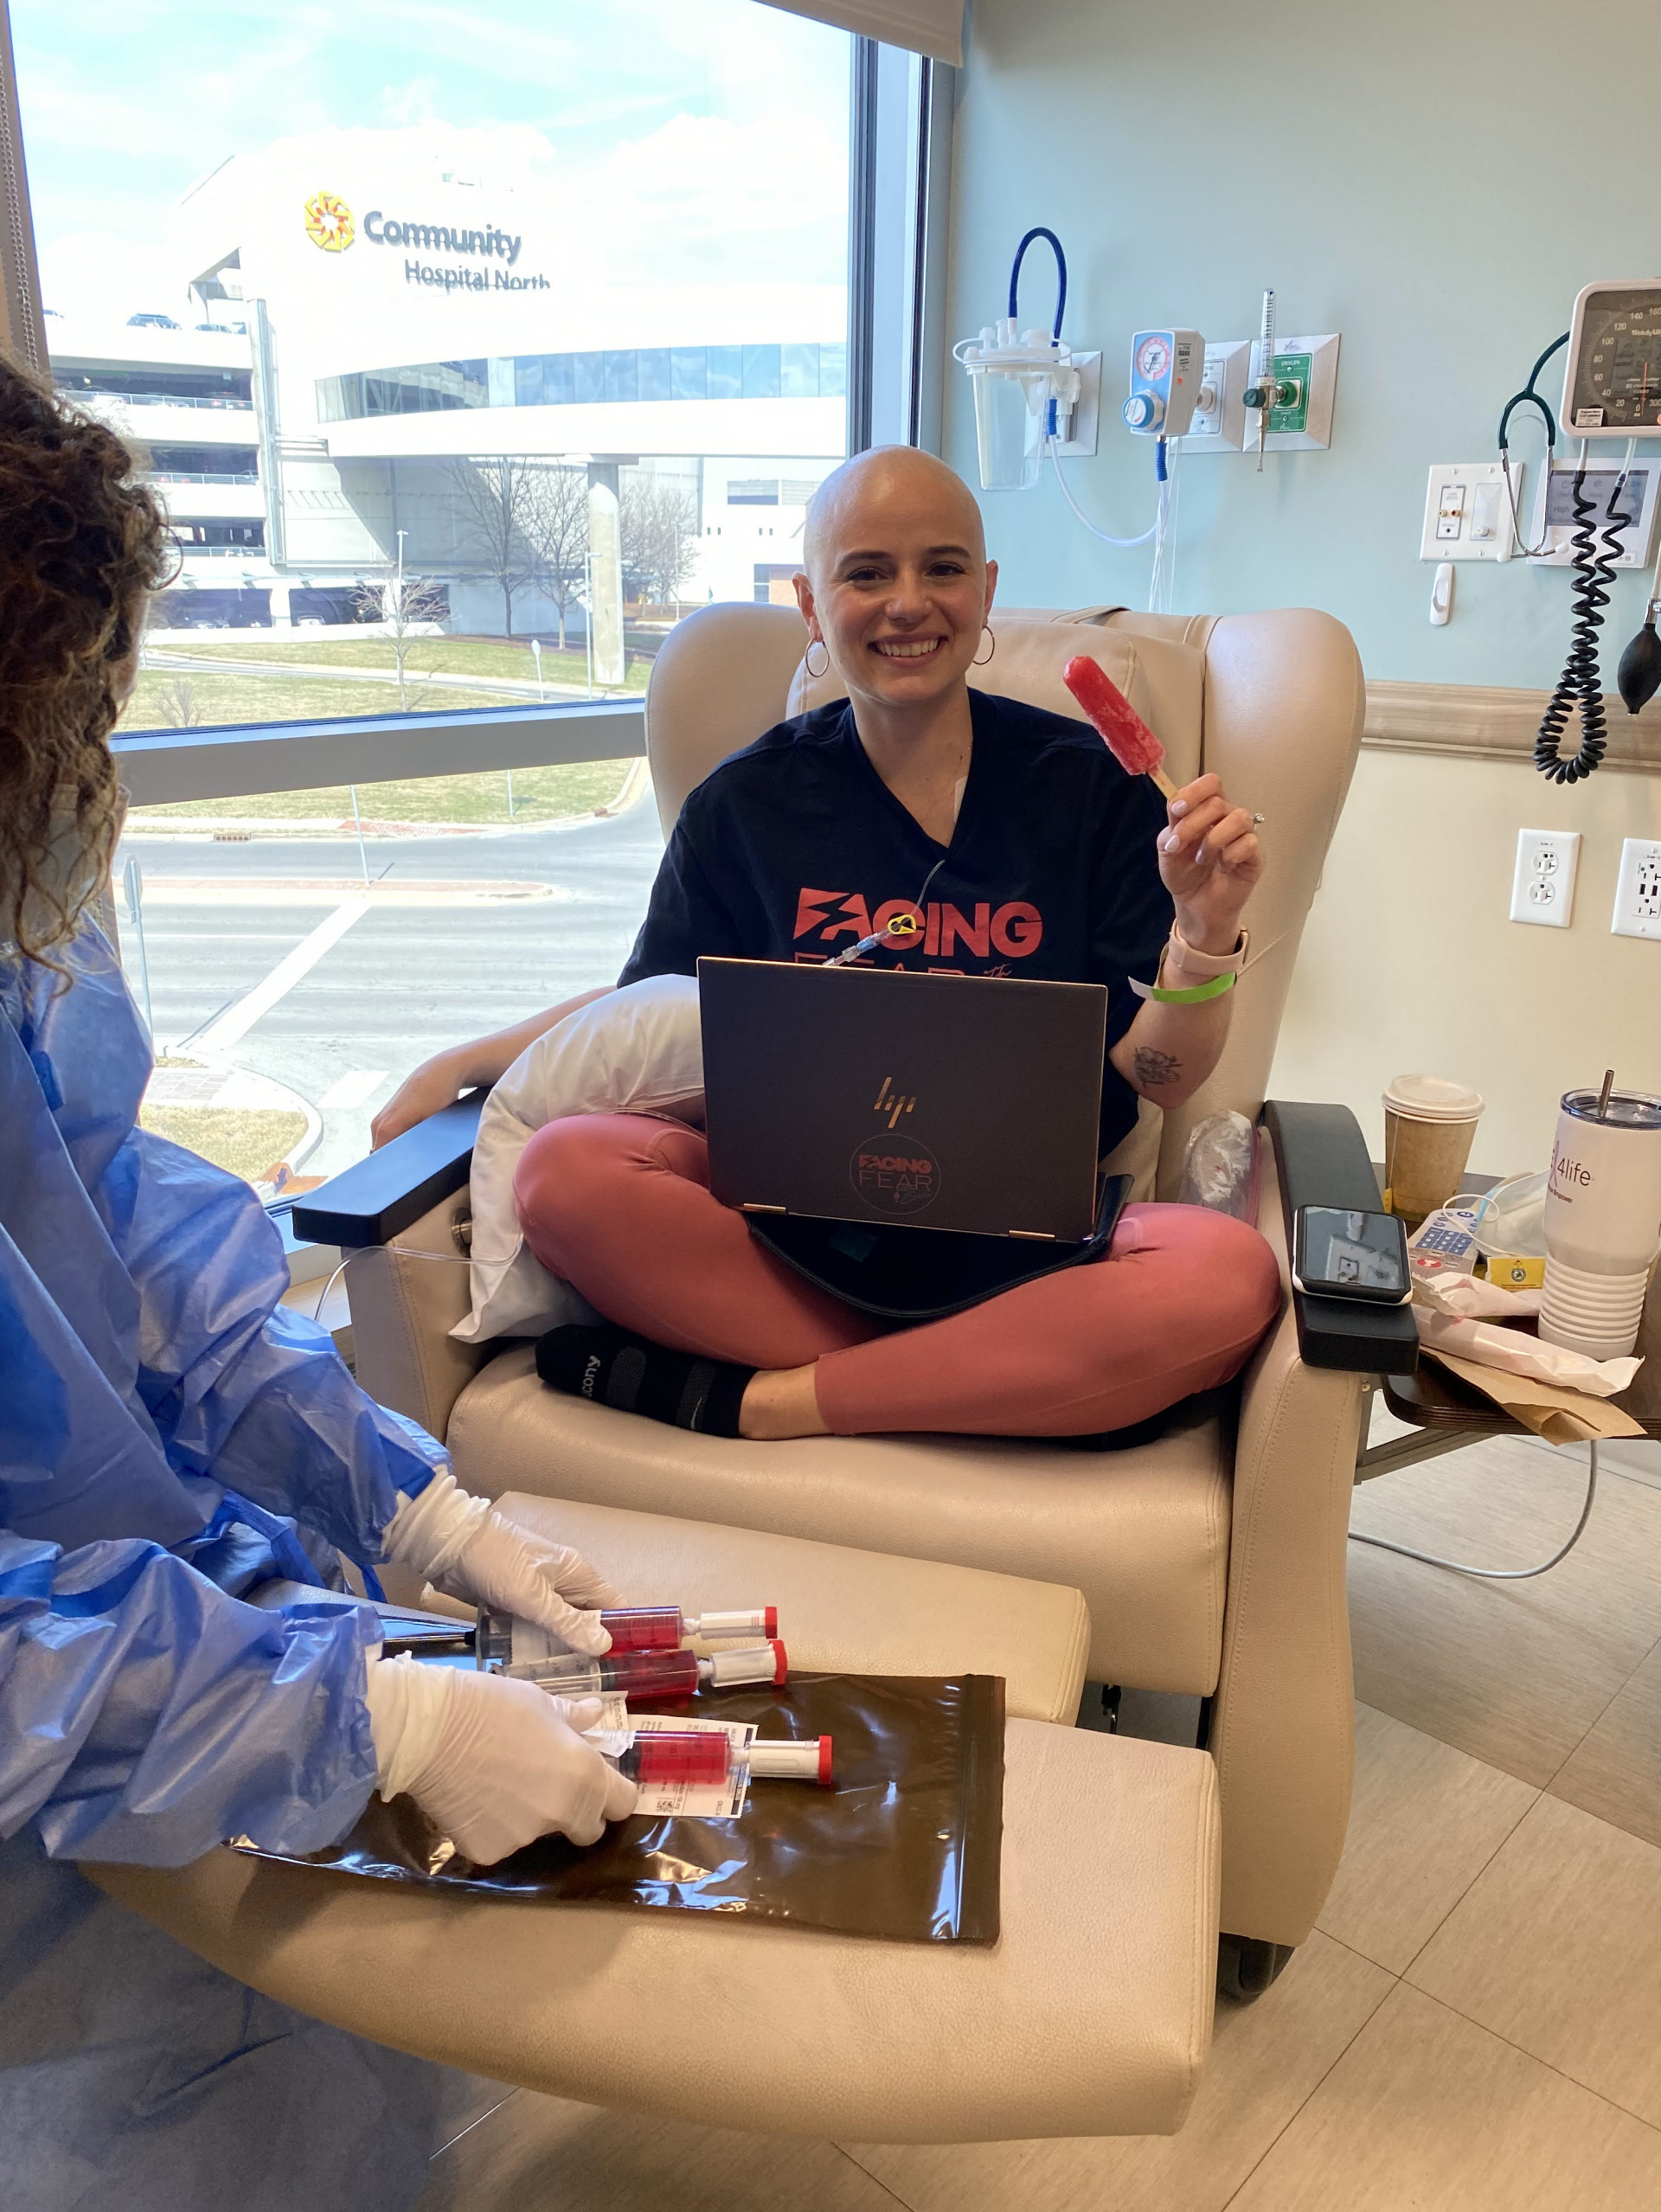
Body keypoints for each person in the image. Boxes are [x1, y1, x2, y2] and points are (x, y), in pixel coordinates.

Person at [0, 360, 635, 2212]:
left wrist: (413, 1502)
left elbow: (122, 1226)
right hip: (60, 1747)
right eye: (55, 726)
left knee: (299, 2072)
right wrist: (372, 1719)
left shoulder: (27, 923)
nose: (81, 784)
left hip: (156, 1640)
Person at [379, 446, 1279, 1444]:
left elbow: (1155, 1075)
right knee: (565, 1170)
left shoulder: (1094, 791)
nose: (908, 603)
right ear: (813, 605)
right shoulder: (743, 808)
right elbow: (652, 1010)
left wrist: (1203, 934)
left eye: (942, 569)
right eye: (866, 573)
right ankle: (993, 1380)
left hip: (1036, 1244)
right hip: (787, 1239)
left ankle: (761, 1403)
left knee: (1227, 1275)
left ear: (984, 595)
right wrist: (469, 1060)